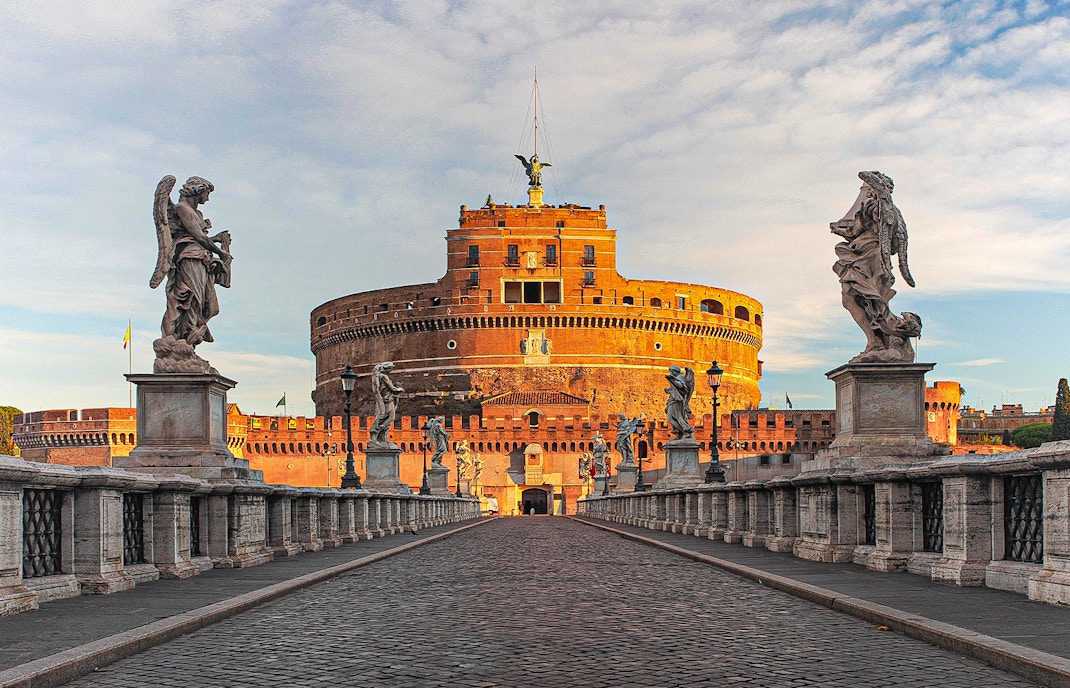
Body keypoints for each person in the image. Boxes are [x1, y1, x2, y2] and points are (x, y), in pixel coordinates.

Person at [156, 176, 232, 347]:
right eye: (207, 193)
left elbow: (197, 237)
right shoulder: (183, 209)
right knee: (191, 301)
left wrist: (216, 238)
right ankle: (182, 339)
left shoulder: (197, 213)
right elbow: (198, 236)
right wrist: (221, 252)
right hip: (189, 260)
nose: (207, 198)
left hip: (201, 260)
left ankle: (190, 337)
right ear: (198, 190)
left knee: (210, 307)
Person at [369, 362, 404, 446]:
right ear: (387, 368)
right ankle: (375, 433)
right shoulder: (384, 376)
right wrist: (400, 389)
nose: (391, 370)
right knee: (387, 417)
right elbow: (392, 388)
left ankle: (382, 437)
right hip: (387, 400)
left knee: (388, 418)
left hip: (388, 400)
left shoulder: (380, 376)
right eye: (391, 368)